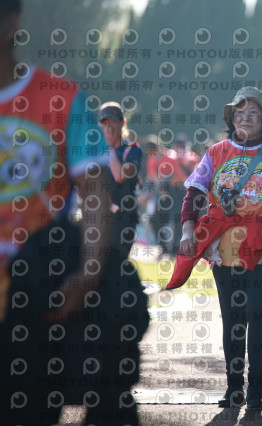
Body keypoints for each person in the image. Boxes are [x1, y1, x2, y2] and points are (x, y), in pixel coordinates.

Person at [0, 1, 149, 424]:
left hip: (31, 292)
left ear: (11, 23)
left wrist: (87, 273)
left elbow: (95, 194)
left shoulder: (62, 99)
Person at [165, 87, 262, 409]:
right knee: (233, 320)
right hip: (225, 250)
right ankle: (234, 388)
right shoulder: (215, 153)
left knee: (258, 317)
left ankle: (256, 390)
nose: (245, 119)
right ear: (232, 119)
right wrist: (187, 229)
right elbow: (194, 193)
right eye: (240, 113)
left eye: (253, 114)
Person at [99, 102, 143, 258]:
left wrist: (110, 147)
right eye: (105, 123)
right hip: (100, 215)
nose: (109, 127)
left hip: (124, 217)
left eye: (113, 122)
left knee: (117, 261)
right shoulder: (93, 151)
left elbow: (119, 176)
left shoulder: (132, 149)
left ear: (123, 123)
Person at [144, 139, 189, 255]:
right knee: (155, 220)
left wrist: (166, 184)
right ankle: (164, 247)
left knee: (177, 220)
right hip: (163, 191)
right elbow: (154, 177)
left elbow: (178, 177)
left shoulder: (171, 157)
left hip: (177, 190)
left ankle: (176, 249)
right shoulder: (152, 160)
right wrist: (162, 188)